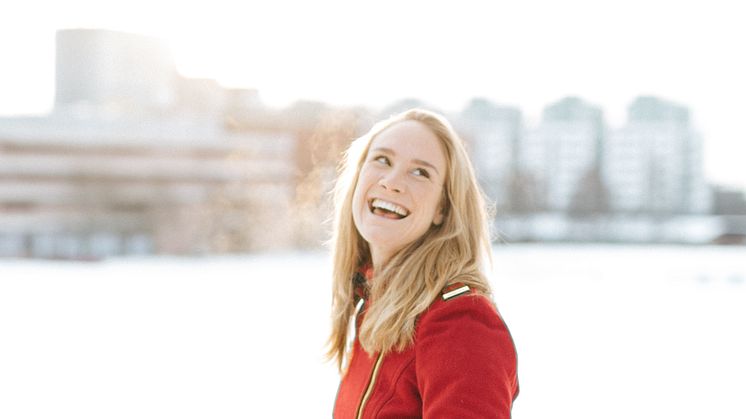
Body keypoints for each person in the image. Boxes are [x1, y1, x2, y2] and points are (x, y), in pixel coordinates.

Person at [328, 109, 519, 418]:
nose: (391, 182)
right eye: (382, 160)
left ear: (442, 208)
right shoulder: (373, 302)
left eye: (420, 172)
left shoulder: (459, 321)